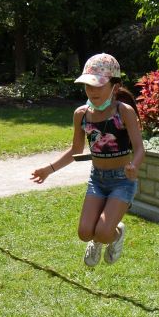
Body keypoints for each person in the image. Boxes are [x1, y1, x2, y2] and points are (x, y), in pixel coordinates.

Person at [31, 53, 144, 267]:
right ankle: (106, 236)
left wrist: (133, 166)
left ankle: (115, 234)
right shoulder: (81, 114)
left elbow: (139, 149)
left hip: (122, 181)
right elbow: (75, 149)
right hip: (98, 180)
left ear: (114, 86)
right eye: (88, 86)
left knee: (102, 232)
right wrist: (48, 169)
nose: (92, 91)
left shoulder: (124, 111)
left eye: (98, 86)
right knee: (84, 233)